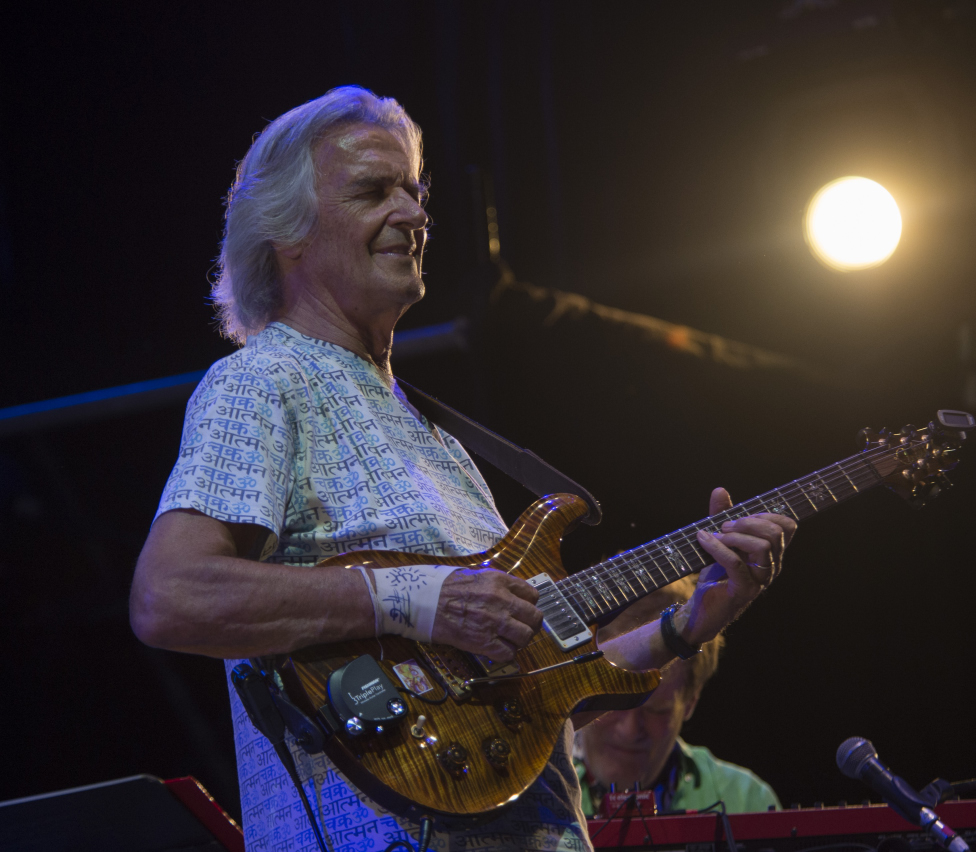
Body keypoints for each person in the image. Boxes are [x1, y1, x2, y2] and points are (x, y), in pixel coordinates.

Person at [128, 85, 797, 852]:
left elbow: (529, 691)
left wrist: (685, 626)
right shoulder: (263, 381)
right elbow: (170, 595)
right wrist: (417, 598)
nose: (415, 216)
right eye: (376, 192)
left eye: (415, 193)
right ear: (288, 234)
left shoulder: (437, 440)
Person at [576, 579, 781, 816]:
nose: (629, 731)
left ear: (691, 702)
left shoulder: (747, 801)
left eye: (657, 709)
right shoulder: (529, 785)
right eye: (610, 704)